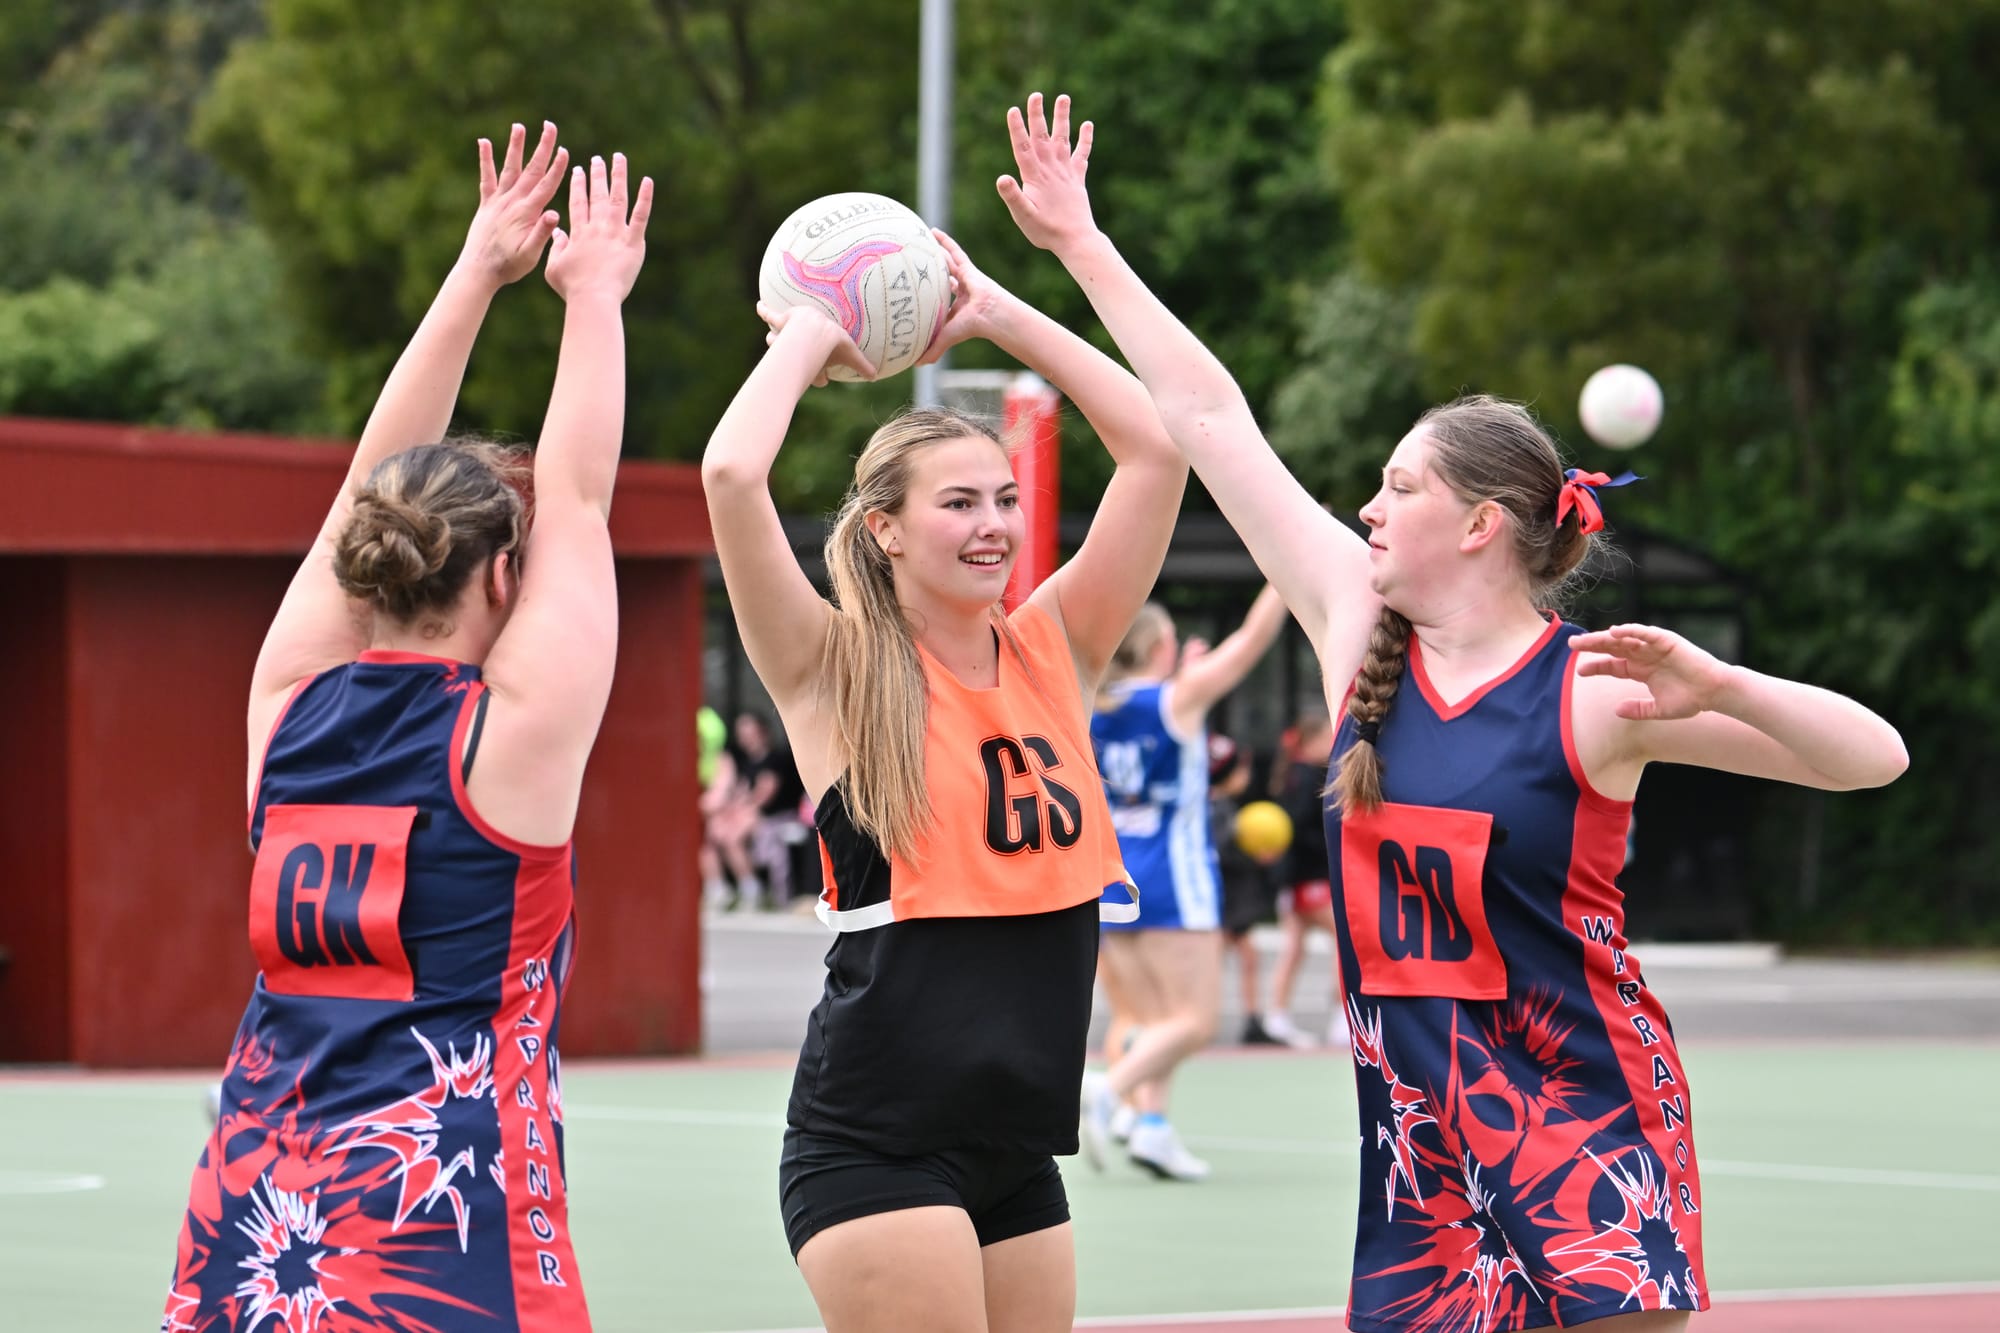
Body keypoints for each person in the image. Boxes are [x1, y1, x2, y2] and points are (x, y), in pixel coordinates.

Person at [1035, 98, 1908, 1330]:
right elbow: (1210, 418)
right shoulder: (1353, 632)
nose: (1368, 507)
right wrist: (1076, 247)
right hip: (1418, 1152)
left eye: (1397, 485)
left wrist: (1725, 687)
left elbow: (1873, 758)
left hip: (1584, 1123)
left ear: (1481, 523)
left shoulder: (1593, 689)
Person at [700, 93, 1184, 1333]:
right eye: (957, 504)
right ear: (883, 529)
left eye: (1003, 500)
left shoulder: (1055, 645)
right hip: (877, 1139)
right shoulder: (830, 668)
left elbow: (1155, 452)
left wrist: (993, 312)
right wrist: (809, 333)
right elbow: (731, 473)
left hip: (1016, 1141)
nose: (992, 525)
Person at [163, 124, 652, 1330]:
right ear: (501, 584)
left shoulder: (283, 711)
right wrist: (592, 294)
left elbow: (365, 484)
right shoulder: (510, 742)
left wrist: (479, 267)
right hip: (443, 1218)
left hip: (254, 1209)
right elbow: (582, 492)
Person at [1085, 585, 1288, 1180]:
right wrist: (1281, 581)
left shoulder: (1093, 704)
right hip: (1175, 878)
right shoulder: (1178, 700)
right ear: (1162, 644)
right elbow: (1251, 641)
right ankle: (1111, 1091)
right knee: (1194, 1021)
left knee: (1149, 1018)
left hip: (1113, 878)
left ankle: (1150, 1126)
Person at [1261, 708, 1350, 1050]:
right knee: (1346, 941)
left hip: (1298, 878)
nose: (1334, 741)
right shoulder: (1308, 777)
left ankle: (1277, 1016)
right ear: (1312, 741)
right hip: (1308, 879)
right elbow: (1300, 830)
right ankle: (1343, 1019)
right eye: (1328, 735)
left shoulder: (1299, 774)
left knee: (1294, 949)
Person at [1208, 735, 1286, 1046]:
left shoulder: (1221, 806)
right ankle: (1197, 1018)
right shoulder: (1213, 808)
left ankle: (1252, 1020)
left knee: (1246, 956)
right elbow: (1218, 853)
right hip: (1220, 900)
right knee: (1215, 960)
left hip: (1230, 901)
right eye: (1243, 770)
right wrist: (1254, 856)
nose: (1248, 777)